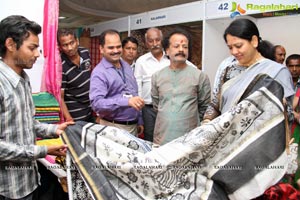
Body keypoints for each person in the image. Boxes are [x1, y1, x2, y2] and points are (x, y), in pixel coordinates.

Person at [0, 15, 73, 200]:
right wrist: (41, 151)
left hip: (30, 181)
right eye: (32, 48)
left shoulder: (23, 80)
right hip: (7, 189)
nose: (37, 54)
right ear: (10, 44)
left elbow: (26, 122)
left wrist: (55, 129)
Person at [203, 19, 294, 123]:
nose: (234, 52)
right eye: (230, 47)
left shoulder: (277, 72)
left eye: (238, 46)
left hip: (260, 137)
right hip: (226, 136)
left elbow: (288, 115)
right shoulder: (228, 70)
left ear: (254, 41)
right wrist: (206, 122)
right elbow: (215, 104)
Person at [135, 27, 196, 142]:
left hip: (169, 107)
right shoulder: (141, 61)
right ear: (146, 43)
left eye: (157, 40)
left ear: (162, 41)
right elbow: (137, 87)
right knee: (150, 138)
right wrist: (139, 114)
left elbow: (192, 68)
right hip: (148, 109)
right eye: (151, 41)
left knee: (169, 139)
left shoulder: (171, 57)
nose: (155, 44)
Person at [151, 28, 211, 145]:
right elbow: (157, 105)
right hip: (162, 138)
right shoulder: (157, 77)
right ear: (167, 50)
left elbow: (204, 107)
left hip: (190, 139)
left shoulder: (200, 76)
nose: (181, 50)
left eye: (185, 47)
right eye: (176, 46)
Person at [90, 29, 144, 136]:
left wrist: (139, 119)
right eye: (111, 47)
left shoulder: (126, 66)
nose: (115, 50)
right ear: (101, 49)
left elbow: (133, 93)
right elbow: (97, 104)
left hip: (133, 126)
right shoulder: (99, 73)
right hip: (113, 128)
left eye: (118, 46)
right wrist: (126, 102)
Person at [57, 28, 94, 122]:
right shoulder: (61, 65)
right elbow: (60, 97)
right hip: (75, 116)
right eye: (65, 45)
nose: (70, 48)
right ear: (60, 47)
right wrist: (69, 118)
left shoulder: (85, 53)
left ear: (77, 41)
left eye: (71, 43)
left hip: (90, 110)